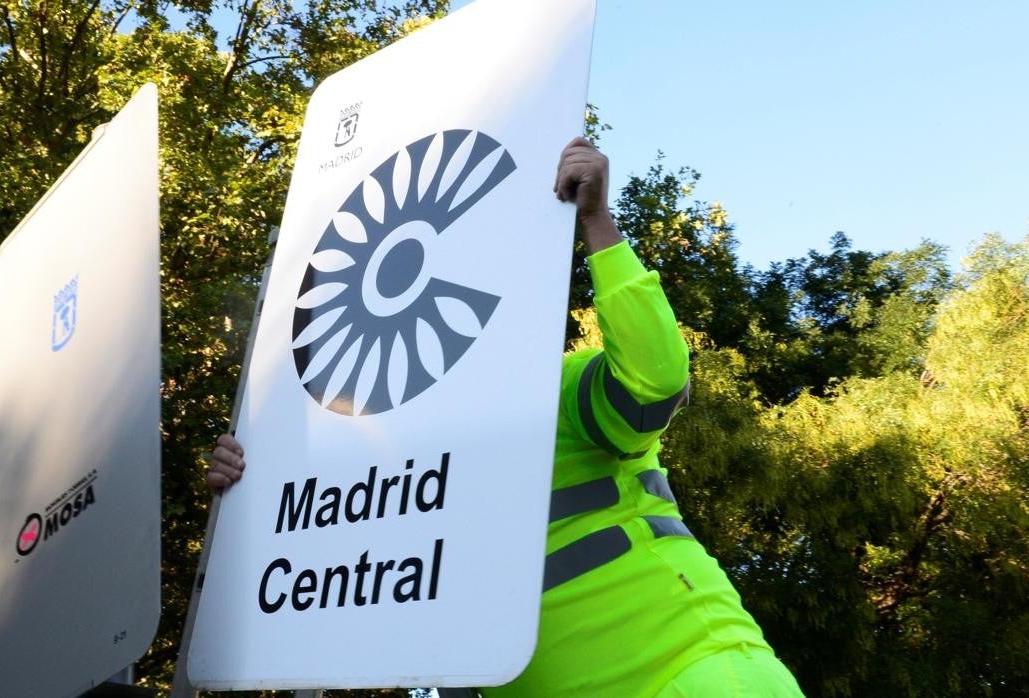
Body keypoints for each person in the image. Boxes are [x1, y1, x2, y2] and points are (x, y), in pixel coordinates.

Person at [206, 138, 804, 697]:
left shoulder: (557, 386)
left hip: (688, 674)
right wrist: (251, 487)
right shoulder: (384, 461)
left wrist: (597, 222)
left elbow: (654, 382)